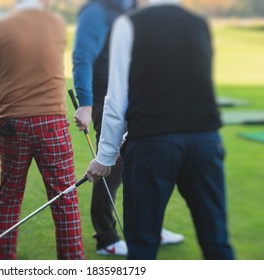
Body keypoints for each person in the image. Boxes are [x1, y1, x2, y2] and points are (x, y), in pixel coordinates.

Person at [86, 0, 235, 260]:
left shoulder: (128, 22)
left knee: (142, 245)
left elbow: (116, 99)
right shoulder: (199, 23)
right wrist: (124, 140)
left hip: (153, 147)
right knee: (216, 241)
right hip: (205, 142)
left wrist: (105, 157)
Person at [0, 0, 85, 260]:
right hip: (52, 123)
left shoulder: (0, 27)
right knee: (64, 197)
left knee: (9, 197)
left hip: (14, 124)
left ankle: (3, 263)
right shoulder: (56, 24)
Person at [72, 0, 184, 256]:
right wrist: (86, 104)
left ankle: (149, 226)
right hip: (105, 100)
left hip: (138, 98)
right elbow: (82, 55)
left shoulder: (133, 8)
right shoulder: (96, 10)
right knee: (110, 165)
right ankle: (106, 237)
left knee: (144, 163)